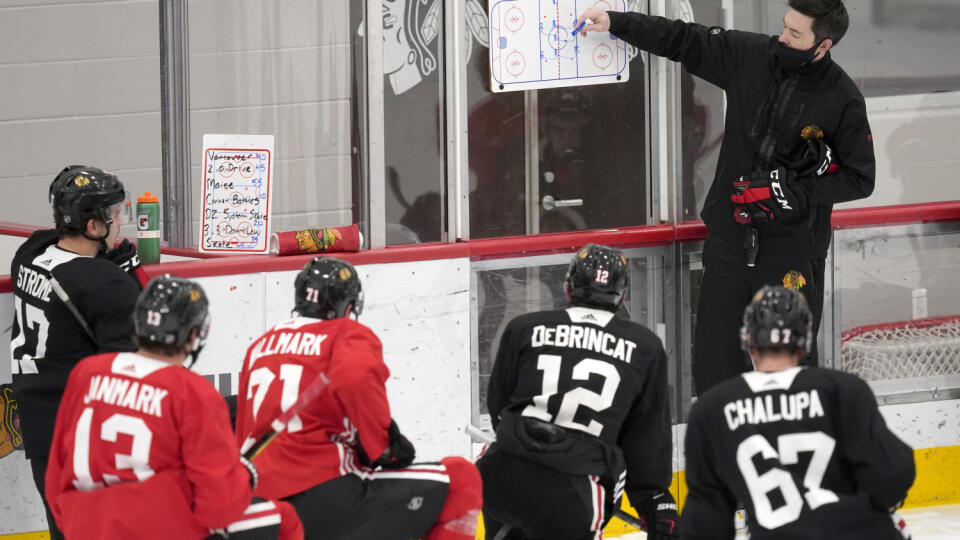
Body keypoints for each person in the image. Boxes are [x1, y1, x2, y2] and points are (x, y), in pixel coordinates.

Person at [576, 0, 875, 394]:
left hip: (792, 252)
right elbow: (684, 39)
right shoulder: (751, 56)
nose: (783, 37)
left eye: (796, 35)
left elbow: (860, 178)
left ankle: (790, 451)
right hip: (730, 243)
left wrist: (791, 193)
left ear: (823, 46)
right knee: (715, 368)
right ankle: (719, 452)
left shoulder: (842, 98)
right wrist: (616, 21)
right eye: (785, 27)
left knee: (789, 375)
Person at [234, 256, 483, 540]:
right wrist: (384, 447)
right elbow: (355, 376)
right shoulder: (345, 333)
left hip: (260, 508)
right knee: (462, 476)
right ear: (347, 304)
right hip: (324, 495)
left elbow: (243, 428)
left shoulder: (259, 346)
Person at [44, 275, 303, 539]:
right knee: (285, 519)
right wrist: (240, 480)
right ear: (193, 335)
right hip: (155, 529)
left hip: (84, 526)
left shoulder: (87, 372)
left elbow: (56, 476)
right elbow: (219, 509)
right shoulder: (190, 391)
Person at [681, 286, 915, 539]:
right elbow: (893, 476)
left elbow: (704, 522)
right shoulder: (842, 390)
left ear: (749, 339)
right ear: (804, 339)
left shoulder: (712, 409)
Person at [478, 244, 678, 540]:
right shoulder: (645, 346)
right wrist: (655, 503)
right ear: (622, 296)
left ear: (568, 288)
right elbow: (645, 440)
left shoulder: (524, 327)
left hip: (502, 473)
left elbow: (499, 407)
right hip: (575, 490)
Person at [10, 165, 147, 539]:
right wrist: (128, 274)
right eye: (114, 214)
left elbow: (65, 260)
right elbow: (131, 367)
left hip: (39, 427)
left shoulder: (29, 253)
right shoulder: (109, 284)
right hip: (83, 440)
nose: (120, 221)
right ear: (93, 226)